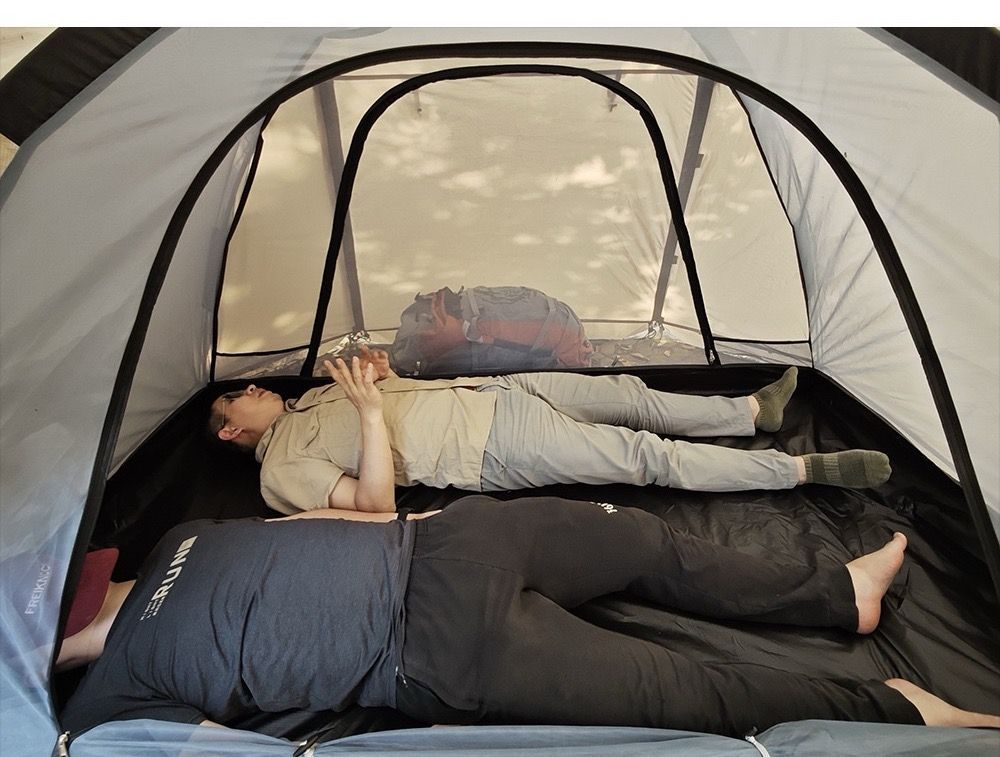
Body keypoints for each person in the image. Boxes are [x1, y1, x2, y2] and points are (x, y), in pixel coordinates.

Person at [58, 496, 999, 740]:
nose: (100, 579)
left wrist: (425, 517)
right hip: (435, 648)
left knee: (642, 540)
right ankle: (898, 706)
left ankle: (839, 591)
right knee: (683, 690)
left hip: (448, 542)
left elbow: (304, 525)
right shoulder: (110, 701)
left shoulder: (179, 533)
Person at [209, 350, 891, 515]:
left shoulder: (314, 395)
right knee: (642, 457)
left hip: (496, 391)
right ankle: (799, 470)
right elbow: (375, 505)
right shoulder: (281, 471)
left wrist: (386, 376)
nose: (252, 387)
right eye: (238, 395)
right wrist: (366, 411)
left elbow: (401, 397)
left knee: (629, 395)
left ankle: (747, 414)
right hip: (491, 447)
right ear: (230, 431)